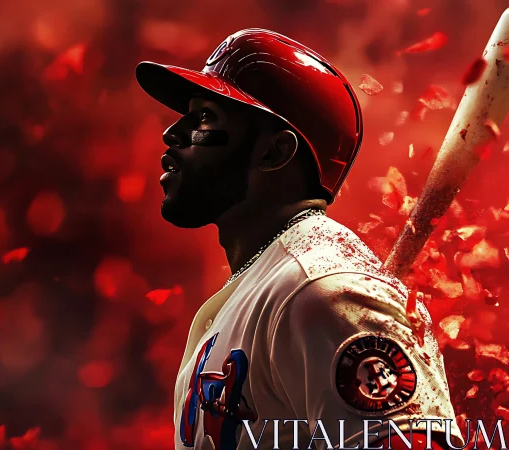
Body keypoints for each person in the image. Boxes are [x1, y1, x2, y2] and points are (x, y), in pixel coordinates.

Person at [135, 29, 464, 450]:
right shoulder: (273, 285)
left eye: (204, 117)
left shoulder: (327, 291)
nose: (172, 133)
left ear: (274, 152)